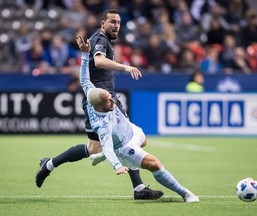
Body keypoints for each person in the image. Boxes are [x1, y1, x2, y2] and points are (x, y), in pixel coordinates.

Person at [35, 9, 163, 200]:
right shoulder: (101, 40)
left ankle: (49, 165)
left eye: (118, 22)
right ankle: (139, 189)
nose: (116, 25)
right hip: (103, 101)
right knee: (127, 140)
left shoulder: (101, 40)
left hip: (103, 100)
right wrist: (125, 66)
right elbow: (99, 60)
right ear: (102, 23)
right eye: (112, 22)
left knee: (95, 148)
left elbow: (91, 63)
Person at [76, 34, 199, 202]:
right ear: (100, 107)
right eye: (108, 100)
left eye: (109, 96)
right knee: (154, 164)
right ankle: (186, 194)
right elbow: (110, 149)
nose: (112, 99)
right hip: (124, 146)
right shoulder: (102, 125)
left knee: (145, 141)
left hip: (130, 130)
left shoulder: (92, 92)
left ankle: (100, 155)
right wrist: (118, 165)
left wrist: (84, 54)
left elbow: (84, 78)